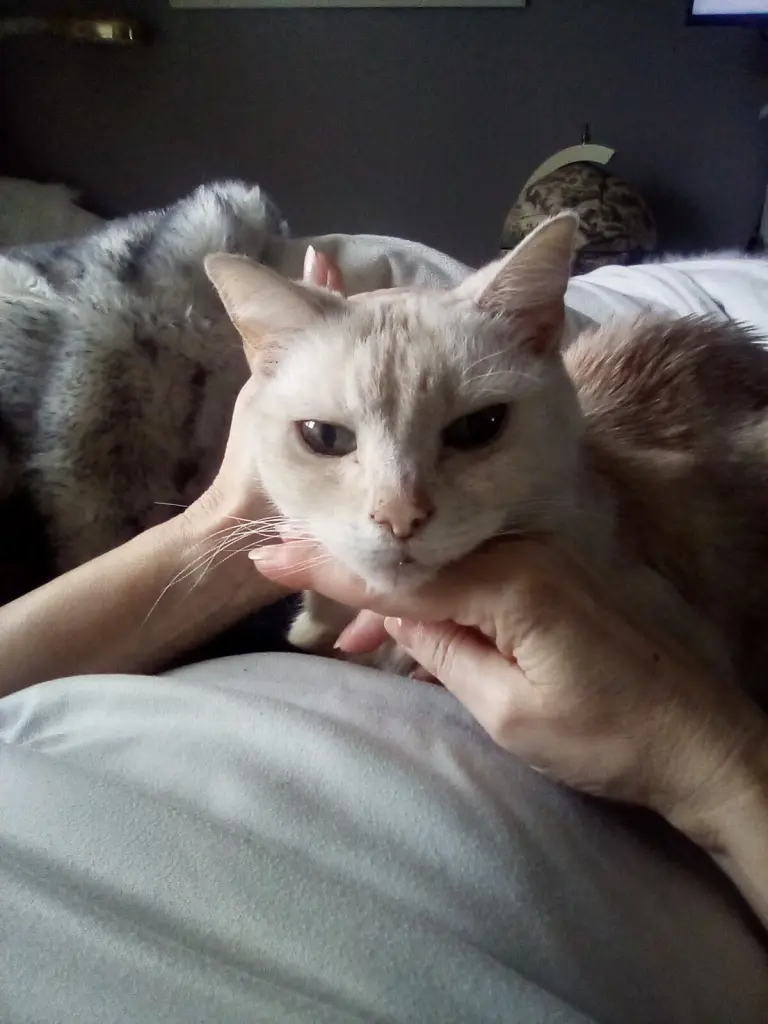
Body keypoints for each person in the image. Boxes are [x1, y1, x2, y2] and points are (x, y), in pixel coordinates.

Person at [1, 253, 767, 1023]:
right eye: (326, 438)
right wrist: (224, 523)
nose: (396, 513)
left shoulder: (612, 572)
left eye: (473, 430)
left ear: (543, 340)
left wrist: (702, 760)